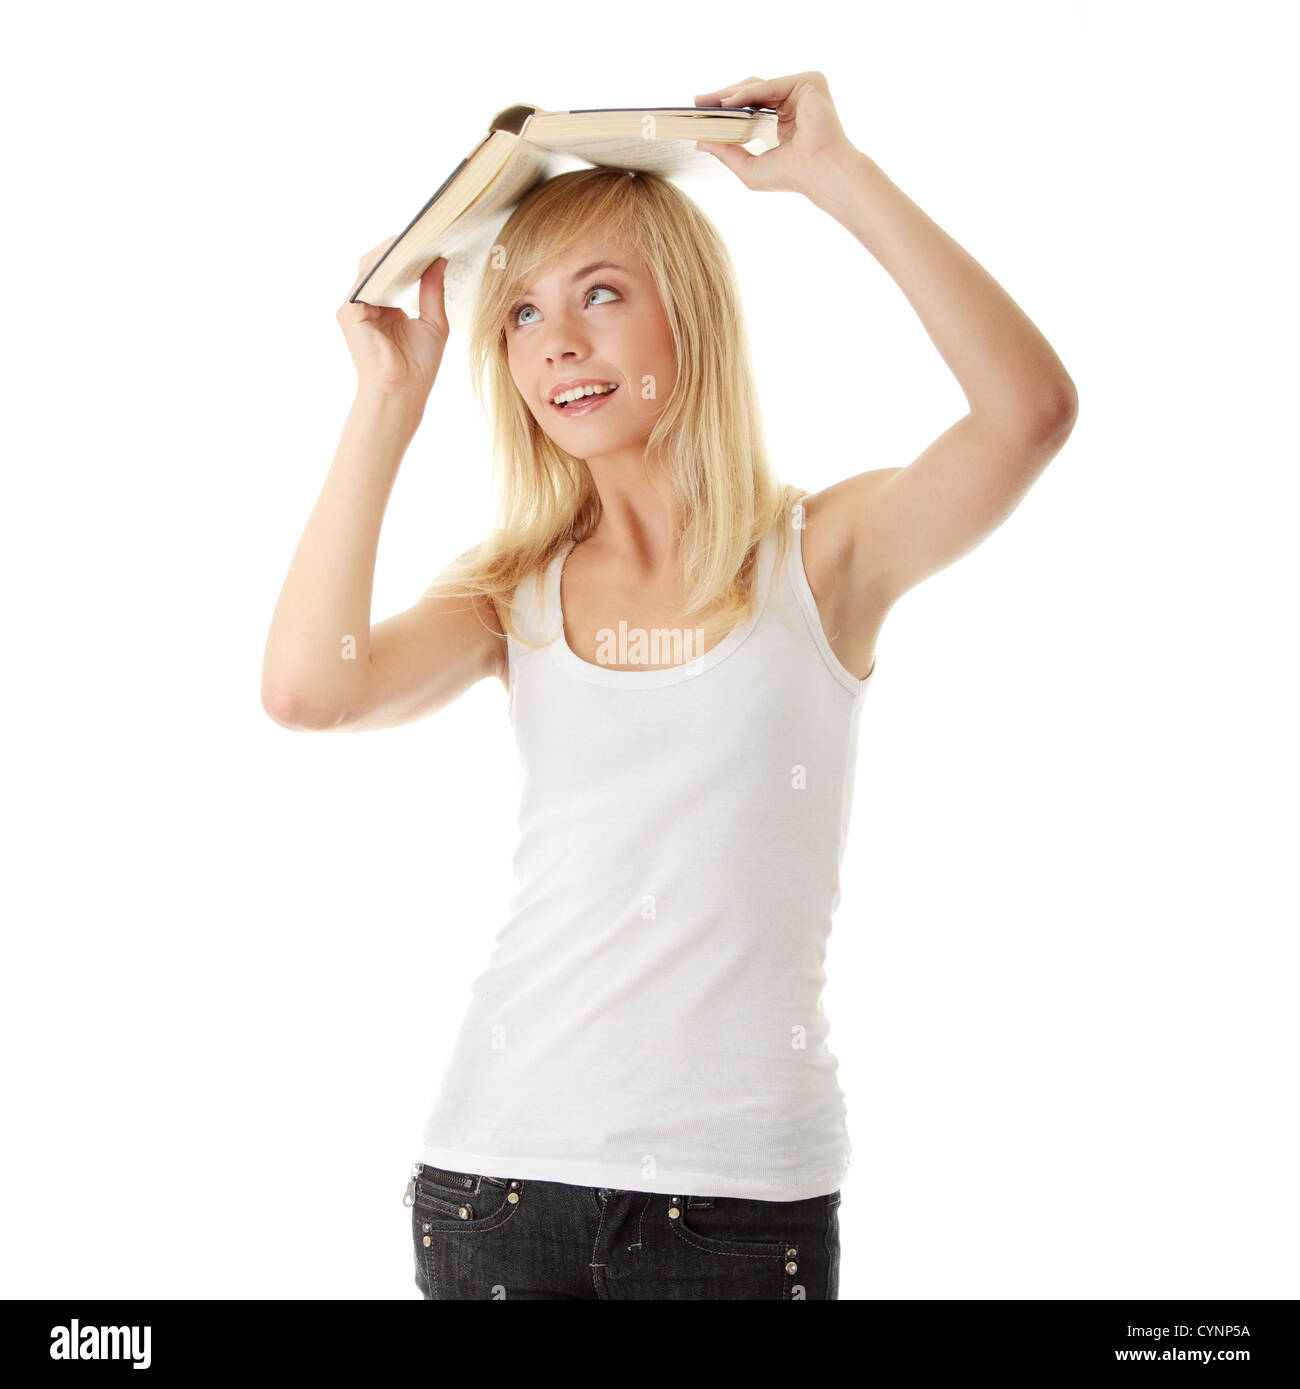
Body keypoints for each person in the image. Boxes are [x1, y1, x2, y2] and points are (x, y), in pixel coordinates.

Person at [261, 71, 1078, 1300]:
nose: (562, 344)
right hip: (494, 1188)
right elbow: (308, 694)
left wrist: (833, 174)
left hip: (741, 1204)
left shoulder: (824, 557)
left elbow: (1027, 414)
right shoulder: (508, 592)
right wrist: (387, 400)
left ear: (686, 318)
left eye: (601, 295)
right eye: (523, 315)